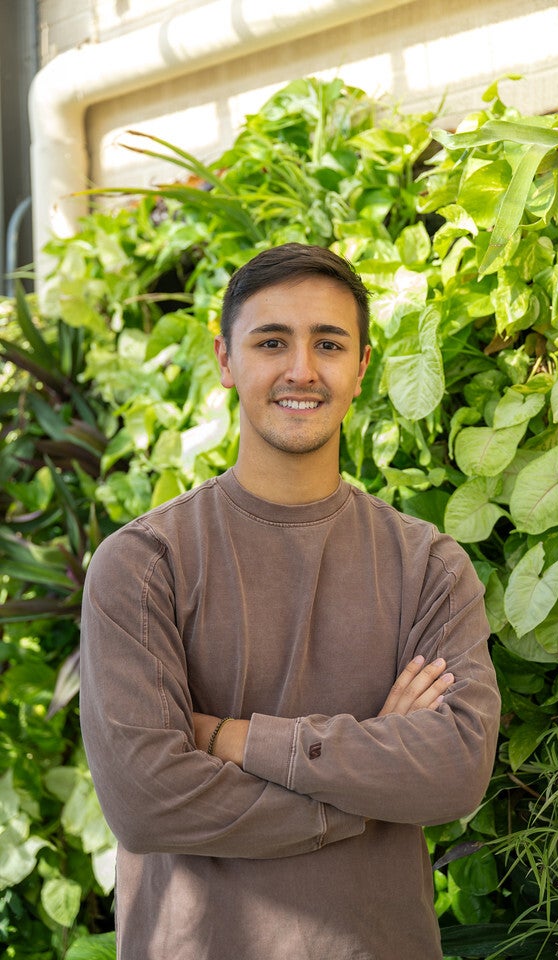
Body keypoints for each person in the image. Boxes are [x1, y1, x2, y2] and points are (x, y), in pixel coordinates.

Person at [80, 242, 501, 960]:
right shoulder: (145, 564)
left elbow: (456, 770)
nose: (301, 370)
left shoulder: (427, 566)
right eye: (271, 342)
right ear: (225, 360)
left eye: (328, 344)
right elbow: (146, 804)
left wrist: (233, 740)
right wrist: (363, 786)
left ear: (362, 367)